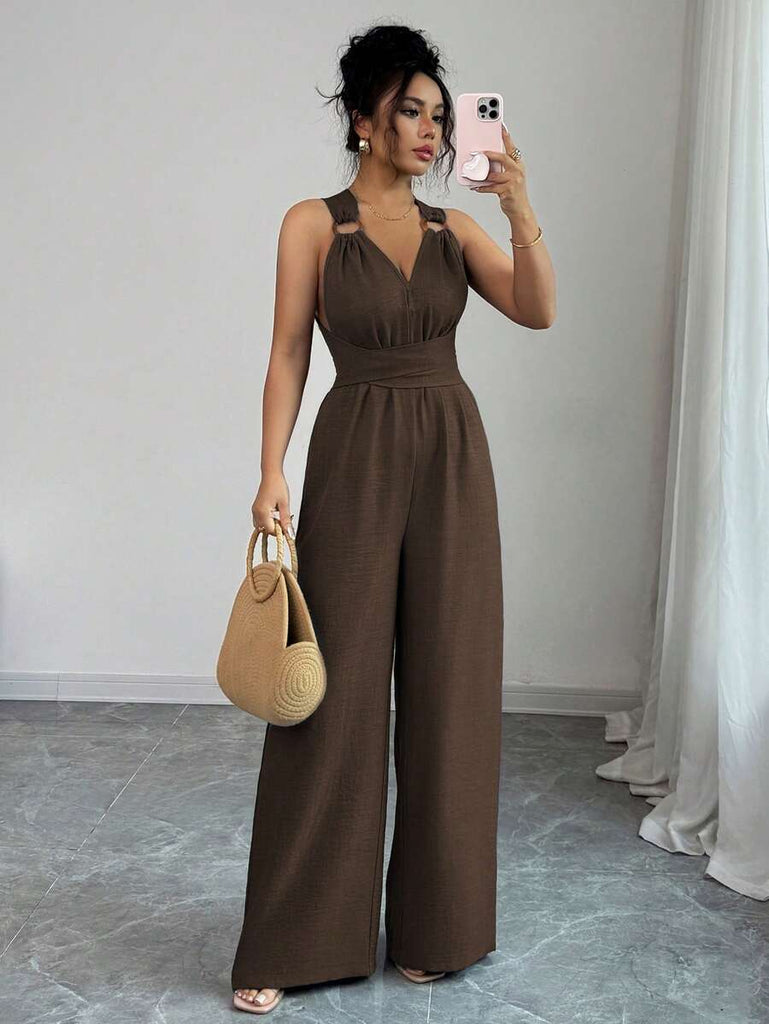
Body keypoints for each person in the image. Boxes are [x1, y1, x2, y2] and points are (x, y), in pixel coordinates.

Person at [231, 22, 555, 1016]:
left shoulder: (456, 232)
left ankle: (436, 929)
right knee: (329, 695)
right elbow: (289, 351)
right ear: (363, 118)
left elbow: (536, 309)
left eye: (439, 116)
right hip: (355, 449)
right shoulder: (311, 225)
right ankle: (294, 939)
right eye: (409, 111)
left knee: (452, 689)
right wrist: (269, 469)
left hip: (451, 455)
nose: (429, 130)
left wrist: (518, 207)